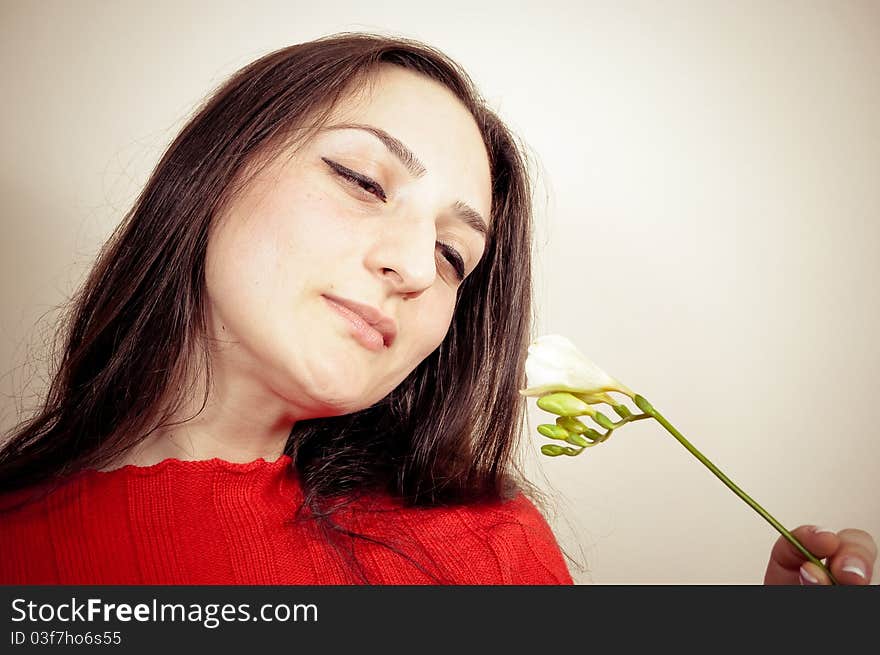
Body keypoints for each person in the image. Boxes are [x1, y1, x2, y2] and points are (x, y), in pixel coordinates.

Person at [0, 33, 874, 586]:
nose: (417, 266)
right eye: (361, 179)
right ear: (214, 170)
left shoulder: (484, 548)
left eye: (458, 256)